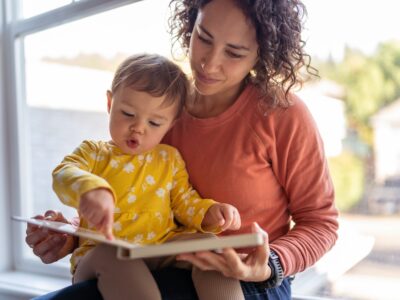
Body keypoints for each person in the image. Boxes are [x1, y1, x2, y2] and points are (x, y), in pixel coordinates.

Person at [26, 0, 339, 299]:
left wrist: (270, 263)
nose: (209, 62)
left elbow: (321, 223)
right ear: (191, 23)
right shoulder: (161, 110)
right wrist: (70, 235)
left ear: (262, 54)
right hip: (163, 262)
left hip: (248, 282)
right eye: (203, 37)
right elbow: (133, 194)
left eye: (234, 52)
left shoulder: (283, 115)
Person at [49, 53, 244, 300]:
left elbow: (185, 202)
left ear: (171, 124)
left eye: (154, 122)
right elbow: (63, 173)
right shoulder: (94, 153)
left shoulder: (169, 158)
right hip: (100, 254)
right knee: (114, 254)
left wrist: (210, 213)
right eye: (128, 114)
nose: (138, 127)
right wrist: (91, 189)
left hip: (160, 246)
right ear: (110, 104)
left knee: (210, 245)